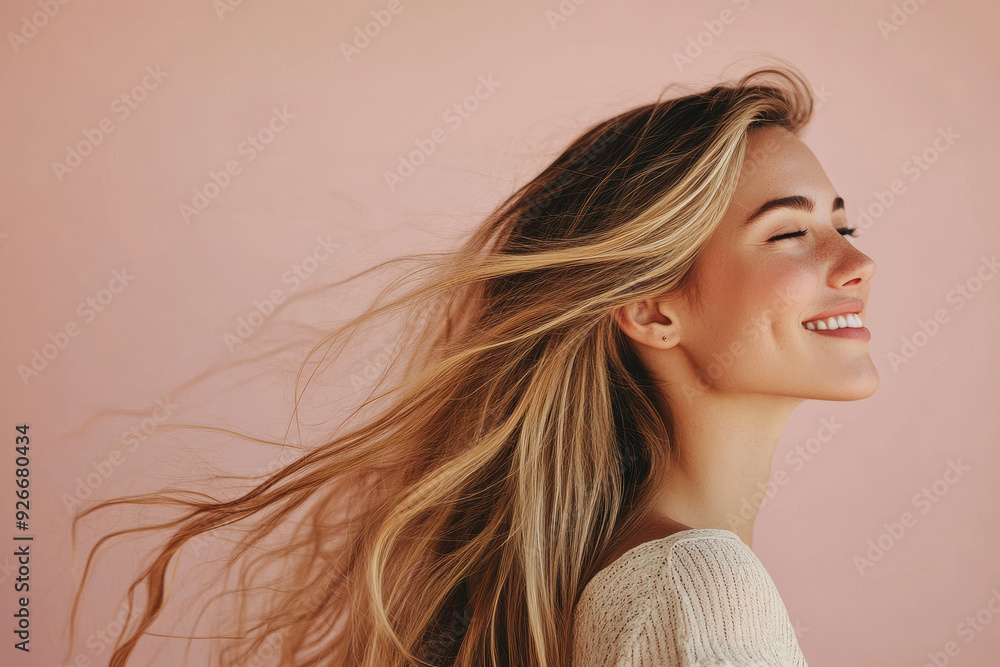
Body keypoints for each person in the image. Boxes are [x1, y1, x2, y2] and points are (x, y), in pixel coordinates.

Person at [70, 58, 876, 666]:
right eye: (789, 232)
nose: (856, 261)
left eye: (843, 222)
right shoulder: (695, 586)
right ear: (652, 309)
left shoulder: (630, 577)